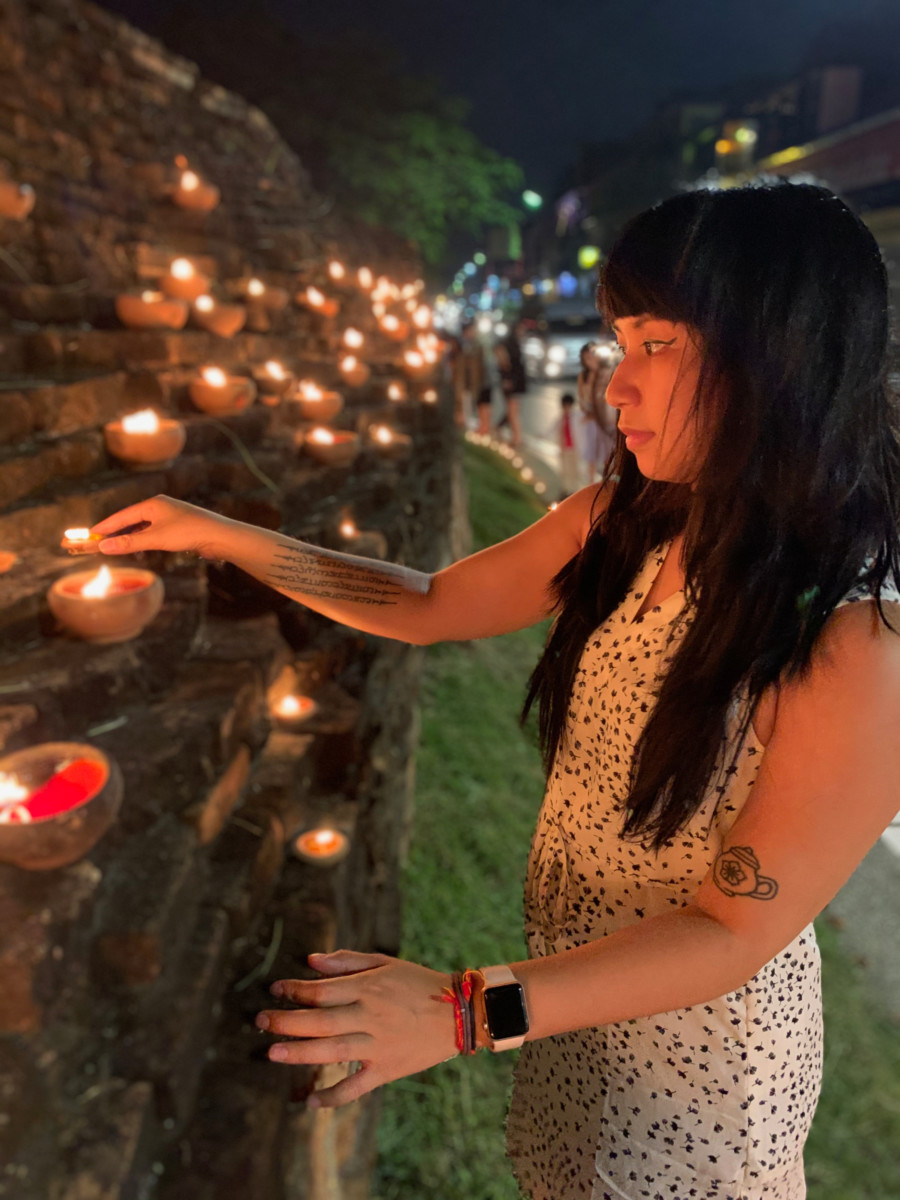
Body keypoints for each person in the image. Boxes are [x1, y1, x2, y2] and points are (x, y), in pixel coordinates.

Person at [89, 181, 900, 1200]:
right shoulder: (624, 522)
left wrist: (463, 1013)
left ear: (781, 357)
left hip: (701, 1092)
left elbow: (731, 931)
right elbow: (429, 602)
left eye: (660, 344)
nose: (616, 387)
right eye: (621, 340)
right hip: (564, 1018)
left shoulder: (852, 637)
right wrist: (224, 535)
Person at [577, 340, 617, 481]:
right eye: (587, 358)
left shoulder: (607, 372)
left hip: (606, 418)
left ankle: (608, 479)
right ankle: (592, 483)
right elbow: (582, 398)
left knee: (608, 451)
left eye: (593, 356)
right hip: (591, 420)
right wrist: (589, 412)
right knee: (592, 453)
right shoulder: (584, 376)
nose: (591, 360)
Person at [494, 317, 527, 446]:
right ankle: (516, 438)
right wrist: (507, 378)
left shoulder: (514, 343)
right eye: (521, 329)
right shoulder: (509, 343)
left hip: (514, 381)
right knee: (513, 410)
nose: (523, 332)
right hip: (512, 381)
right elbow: (506, 363)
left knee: (512, 410)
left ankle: (505, 431)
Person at [451, 320, 488, 429]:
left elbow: (481, 365)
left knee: (469, 407)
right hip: (460, 382)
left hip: (472, 382)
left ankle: (465, 427)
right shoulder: (457, 345)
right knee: (459, 406)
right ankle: (460, 427)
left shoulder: (477, 346)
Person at [550, 391, 582, 497]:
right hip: (564, 448)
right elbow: (553, 428)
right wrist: (542, 435)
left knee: (574, 470)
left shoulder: (576, 417)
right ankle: (565, 490)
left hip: (574, 448)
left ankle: (573, 491)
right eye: (564, 406)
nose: (566, 408)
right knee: (564, 470)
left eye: (568, 406)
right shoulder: (561, 418)